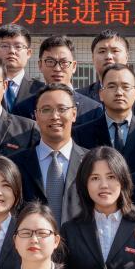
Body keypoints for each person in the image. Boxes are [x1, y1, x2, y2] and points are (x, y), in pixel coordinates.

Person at [10, 84, 87, 222]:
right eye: (46, 110)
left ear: (74, 114)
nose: (55, 116)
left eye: (62, 109)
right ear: (36, 116)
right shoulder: (15, 165)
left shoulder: (91, 162)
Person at [75, 62, 135, 172]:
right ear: (101, 94)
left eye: (125, 87)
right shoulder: (81, 134)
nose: (119, 92)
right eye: (111, 86)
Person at [11, 35, 103, 121]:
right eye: (50, 61)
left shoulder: (93, 109)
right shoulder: (22, 109)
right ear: (40, 65)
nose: (57, 68)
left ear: (74, 66)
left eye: (64, 62)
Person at [81, 29, 135, 116]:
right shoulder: (81, 97)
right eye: (102, 51)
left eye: (115, 51)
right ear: (93, 58)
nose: (108, 56)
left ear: (127, 57)